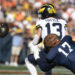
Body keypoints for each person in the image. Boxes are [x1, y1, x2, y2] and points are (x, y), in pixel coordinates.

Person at [25, 3, 67, 75]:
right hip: (62, 52)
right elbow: (67, 36)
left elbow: (36, 40)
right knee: (48, 67)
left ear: (45, 12)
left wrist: (34, 43)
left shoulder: (41, 22)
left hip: (49, 52)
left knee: (28, 60)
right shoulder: (63, 22)